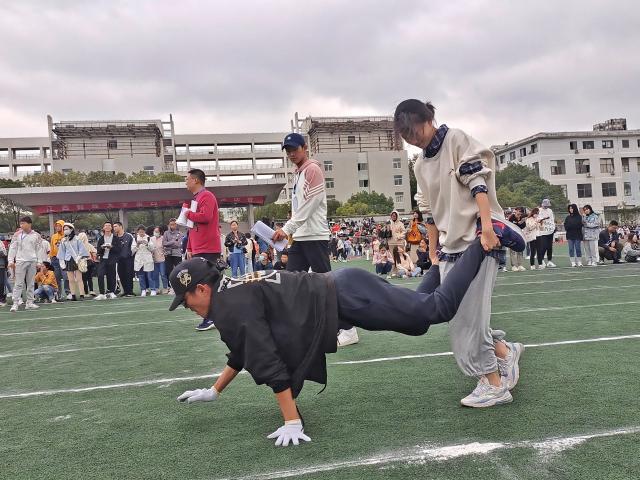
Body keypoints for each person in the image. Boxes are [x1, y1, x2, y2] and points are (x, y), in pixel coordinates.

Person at [170, 235, 510, 446]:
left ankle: (482, 245)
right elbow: (243, 351)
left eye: (186, 301)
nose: (188, 308)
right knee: (418, 324)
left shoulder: (229, 306)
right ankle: (439, 265)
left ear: (201, 289)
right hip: (343, 293)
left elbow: (266, 360)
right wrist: (215, 390)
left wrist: (291, 419)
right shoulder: (228, 294)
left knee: (436, 309)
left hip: (345, 296)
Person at [394, 98, 525, 407]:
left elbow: (478, 182)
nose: (413, 139)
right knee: (457, 315)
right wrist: (433, 250)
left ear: (428, 120)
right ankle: (504, 352)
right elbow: (428, 209)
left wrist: (487, 228)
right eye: (406, 136)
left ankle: (494, 384)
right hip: (450, 247)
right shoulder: (420, 164)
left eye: (415, 131)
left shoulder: (455, 139)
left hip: (477, 242)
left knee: (469, 319)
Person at [272, 133, 331, 274]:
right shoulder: (298, 173)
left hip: (315, 236)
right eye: (288, 151)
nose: (292, 154)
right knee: (291, 280)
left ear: (305, 148)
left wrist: (286, 229)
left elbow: (309, 205)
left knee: (324, 281)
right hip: (299, 236)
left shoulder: (312, 170)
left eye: (295, 149)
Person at [184, 168, 221, 331]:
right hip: (199, 247)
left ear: (196, 180)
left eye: (187, 179)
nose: (186, 182)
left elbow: (206, 217)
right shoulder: (197, 198)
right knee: (203, 282)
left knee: (207, 283)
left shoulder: (207, 195)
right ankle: (211, 316)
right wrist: (189, 247)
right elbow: (192, 228)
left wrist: (188, 214)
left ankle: (212, 316)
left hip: (208, 247)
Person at [8, 216, 45, 311]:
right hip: (20, 261)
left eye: (23, 223)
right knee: (18, 283)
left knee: (31, 283)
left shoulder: (36, 235)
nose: (21, 225)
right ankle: (15, 303)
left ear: (29, 224)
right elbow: (13, 248)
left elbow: (39, 249)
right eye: (21, 223)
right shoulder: (17, 234)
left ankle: (30, 302)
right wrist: (11, 261)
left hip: (32, 261)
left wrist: (39, 262)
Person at [57, 222, 89, 301]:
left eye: (67, 229)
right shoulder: (63, 240)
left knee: (79, 279)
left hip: (77, 259)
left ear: (71, 229)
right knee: (70, 279)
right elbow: (61, 251)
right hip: (68, 260)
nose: (65, 230)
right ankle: (73, 295)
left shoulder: (77, 239)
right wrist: (62, 262)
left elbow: (82, 249)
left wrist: (79, 257)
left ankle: (82, 295)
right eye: (64, 229)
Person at [95, 222, 119, 300]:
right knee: (100, 275)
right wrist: (102, 247)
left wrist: (112, 247)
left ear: (111, 228)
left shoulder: (115, 238)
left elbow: (118, 249)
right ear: (103, 228)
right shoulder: (101, 239)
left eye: (109, 225)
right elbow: (98, 251)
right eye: (106, 225)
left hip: (112, 259)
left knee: (111, 275)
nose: (107, 227)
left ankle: (111, 292)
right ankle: (102, 293)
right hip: (103, 259)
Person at [132, 225, 156, 296]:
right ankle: (143, 289)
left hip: (147, 259)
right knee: (141, 276)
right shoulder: (135, 238)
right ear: (137, 232)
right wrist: (137, 245)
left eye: (142, 232)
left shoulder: (148, 238)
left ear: (145, 231)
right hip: (139, 260)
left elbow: (152, 249)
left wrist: (147, 244)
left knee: (150, 276)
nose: (141, 233)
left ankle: (153, 289)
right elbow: (132, 251)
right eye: (140, 232)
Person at [113, 222, 135, 297]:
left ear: (121, 226)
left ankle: (130, 291)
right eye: (114, 227)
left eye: (115, 226)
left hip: (128, 259)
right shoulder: (114, 237)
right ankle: (125, 291)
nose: (114, 228)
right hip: (119, 260)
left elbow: (134, 246)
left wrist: (130, 254)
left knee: (129, 274)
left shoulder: (129, 236)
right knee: (121, 275)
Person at [163, 218, 184, 292]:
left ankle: (179, 286)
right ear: (169, 225)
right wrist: (172, 241)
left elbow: (178, 244)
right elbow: (164, 243)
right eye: (171, 224)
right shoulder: (166, 233)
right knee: (169, 271)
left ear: (176, 225)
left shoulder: (180, 233)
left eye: (174, 224)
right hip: (168, 254)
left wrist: (169, 244)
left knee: (179, 270)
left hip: (177, 254)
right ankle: (170, 286)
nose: (172, 226)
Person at [49, 219, 68, 300]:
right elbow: (52, 247)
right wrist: (51, 257)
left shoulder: (66, 236)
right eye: (56, 226)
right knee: (56, 278)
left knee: (66, 276)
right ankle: (58, 294)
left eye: (59, 226)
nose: (57, 227)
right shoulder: (54, 236)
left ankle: (68, 292)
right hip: (55, 259)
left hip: (64, 258)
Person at [537, 198, 556, 268]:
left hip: (550, 231)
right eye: (545, 205)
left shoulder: (550, 210)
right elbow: (538, 219)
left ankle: (549, 260)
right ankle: (541, 260)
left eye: (547, 205)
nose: (546, 206)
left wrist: (553, 227)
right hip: (542, 232)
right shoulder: (539, 210)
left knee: (549, 246)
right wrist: (544, 218)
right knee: (544, 246)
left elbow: (552, 219)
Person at [77, 231, 98, 296]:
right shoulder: (89, 245)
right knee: (89, 277)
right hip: (89, 262)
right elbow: (95, 252)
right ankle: (91, 290)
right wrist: (93, 258)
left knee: (84, 278)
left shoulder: (77, 246)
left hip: (81, 263)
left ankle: (85, 292)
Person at [150, 226, 169, 293]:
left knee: (163, 274)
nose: (155, 232)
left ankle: (165, 288)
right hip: (154, 259)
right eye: (154, 231)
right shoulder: (151, 238)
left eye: (157, 231)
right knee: (155, 275)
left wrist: (165, 253)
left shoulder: (163, 238)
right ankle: (157, 288)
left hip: (162, 259)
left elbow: (166, 248)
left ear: (160, 232)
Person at [0, 239, 7, 307]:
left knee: (1, 283)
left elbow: (4, 253)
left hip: (1, 266)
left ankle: (1, 299)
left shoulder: (1, 243)